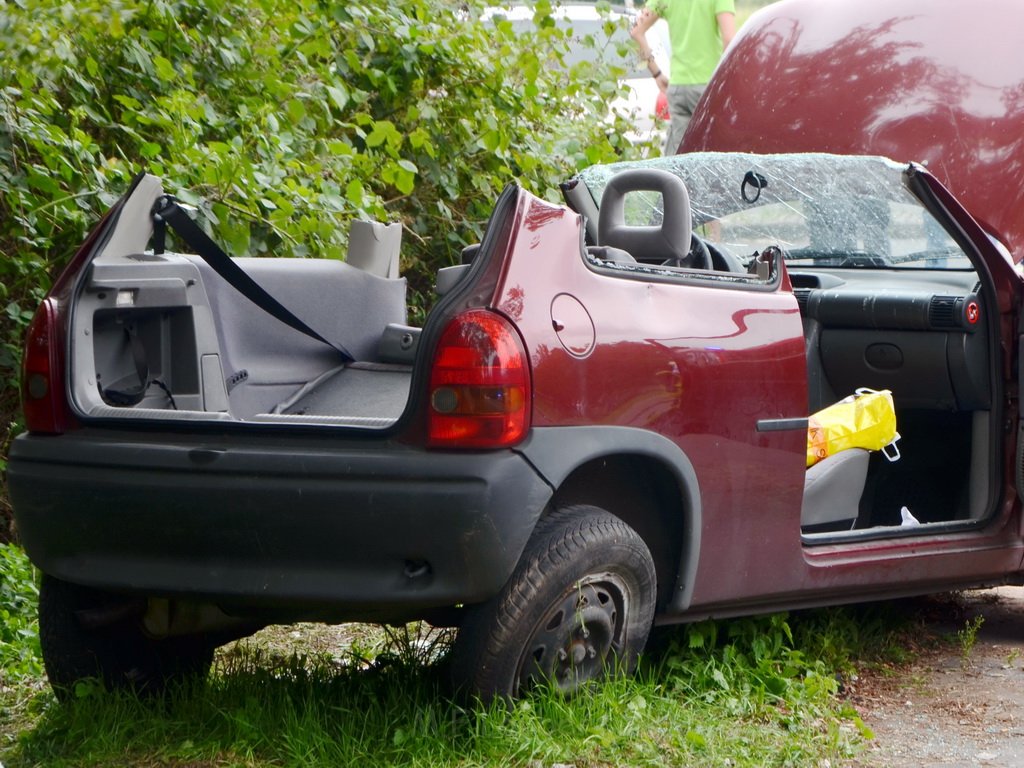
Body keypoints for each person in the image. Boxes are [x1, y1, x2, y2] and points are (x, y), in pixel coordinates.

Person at [631, 0, 736, 155]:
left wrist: (657, 74)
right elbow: (729, 39)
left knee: (680, 157)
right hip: (707, 87)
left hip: (677, 87)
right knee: (713, 155)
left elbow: (636, 32)